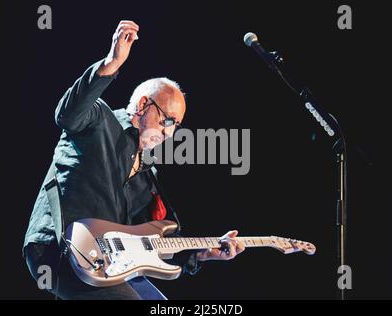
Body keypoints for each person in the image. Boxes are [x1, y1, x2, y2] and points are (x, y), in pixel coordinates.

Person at [23, 20, 245, 300]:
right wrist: (111, 63)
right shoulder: (99, 120)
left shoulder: (146, 177)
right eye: (168, 121)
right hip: (59, 248)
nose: (168, 133)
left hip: (105, 264)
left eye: (176, 127)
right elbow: (67, 114)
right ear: (142, 105)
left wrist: (203, 252)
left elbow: (152, 241)